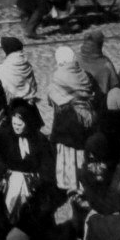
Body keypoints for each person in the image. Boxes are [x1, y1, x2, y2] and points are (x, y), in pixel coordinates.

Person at [46, 45, 96, 192]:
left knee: (67, 155)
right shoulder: (84, 75)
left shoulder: (58, 77)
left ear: (59, 61)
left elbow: (52, 100)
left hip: (65, 124)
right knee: (81, 154)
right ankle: (82, 183)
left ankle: (69, 184)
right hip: (84, 121)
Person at [77, 28, 120, 97]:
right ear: (100, 45)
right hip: (101, 102)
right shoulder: (106, 64)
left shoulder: (76, 59)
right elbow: (115, 85)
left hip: (81, 102)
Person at [0, 36, 38, 105]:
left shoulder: (3, 69)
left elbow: (2, 93)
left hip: (15, 106)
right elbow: (34, 86)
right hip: (31, 105)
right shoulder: (26, 64)